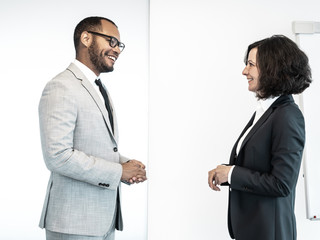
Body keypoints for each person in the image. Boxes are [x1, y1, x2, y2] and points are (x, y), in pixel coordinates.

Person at [38, 16, 147, 240]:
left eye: (119, 45)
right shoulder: (61, 86)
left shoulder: (99, 87)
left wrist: (124, 163)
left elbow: (93, 146)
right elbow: (58, 156)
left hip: (103, 221)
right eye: (111, 41)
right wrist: (119, 172)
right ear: (86, 38)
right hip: (73, 223)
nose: (116, 50)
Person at [208, 35, 312, 240]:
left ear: (272, 68)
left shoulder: (287, 115)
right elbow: (258, 166)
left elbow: (282, 183)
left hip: (269, 233)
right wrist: (226, 172)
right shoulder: (266, 111)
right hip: (253, 230)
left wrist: (232, 174)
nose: (244, 71)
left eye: (251, 64)